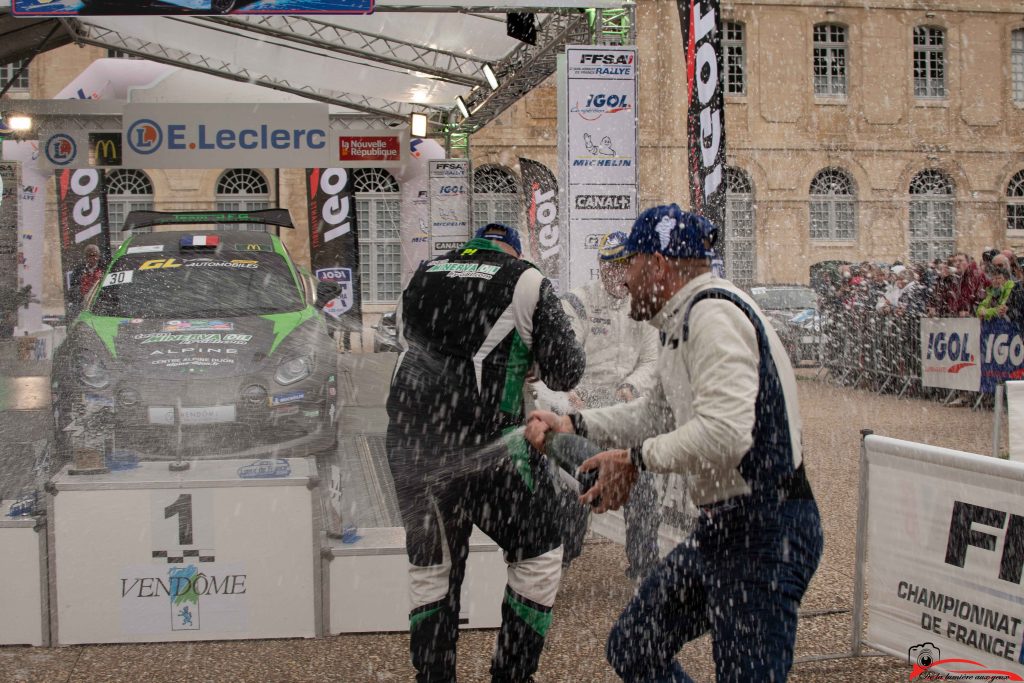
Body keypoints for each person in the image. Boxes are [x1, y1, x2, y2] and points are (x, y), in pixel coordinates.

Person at [525, 204, 823, 682]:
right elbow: (653, 415)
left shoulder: (712, 315)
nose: (624, 283)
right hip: (724, 529)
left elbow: (726, 433)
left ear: (660, 265)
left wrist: (635, 458)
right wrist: (574, 424)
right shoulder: (679, 323)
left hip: (768, 530)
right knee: (633, 646)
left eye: (634, 267)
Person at [386, 222, 585, 683]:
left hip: (413, 444)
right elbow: (566, 373)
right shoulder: (525, 278)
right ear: (512, 251)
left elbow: (415, 348)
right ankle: (511, 675)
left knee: (433, 566)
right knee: (537, 554)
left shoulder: (425, 272)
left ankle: (434, 675)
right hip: (492, 445)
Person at [541, 231, 661, 580]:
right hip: (583, 407)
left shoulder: (646, 305)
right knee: (582, 483)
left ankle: (645, 567)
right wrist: (571, 393)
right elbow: (563, 355)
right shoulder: (577, 303)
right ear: (600, 266)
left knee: (640, 486)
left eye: (624, 265)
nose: (617, 274)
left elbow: (652, 361)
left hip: (623, 408)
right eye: (610, 265)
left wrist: (630, 386)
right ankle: (560, 559)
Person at [67, 244, 105, 320]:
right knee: (73, 312)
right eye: (89, 256)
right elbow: (73, 288)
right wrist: (81, 292)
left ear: (98, 256)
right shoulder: (79, 270)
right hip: (83, 301)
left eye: (94, 255)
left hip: (100, 300)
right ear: (85, 257)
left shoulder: (104, 268)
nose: (92, 258)